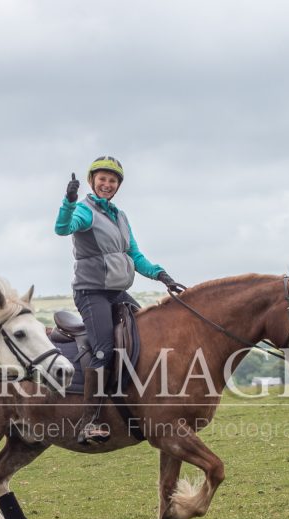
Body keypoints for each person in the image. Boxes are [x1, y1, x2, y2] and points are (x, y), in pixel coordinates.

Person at [55, 156, 184, 444]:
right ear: (92, 181)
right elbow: (63, 228)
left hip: (117, 292)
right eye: (102, 179)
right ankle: (90, 420)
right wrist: (69, 201)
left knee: (146, 337)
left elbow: (134, 255)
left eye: (112, 180)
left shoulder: (120, 217)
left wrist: (160, 275)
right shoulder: (84, 211)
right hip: (92, 292)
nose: (107, 184)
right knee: (104, 349)